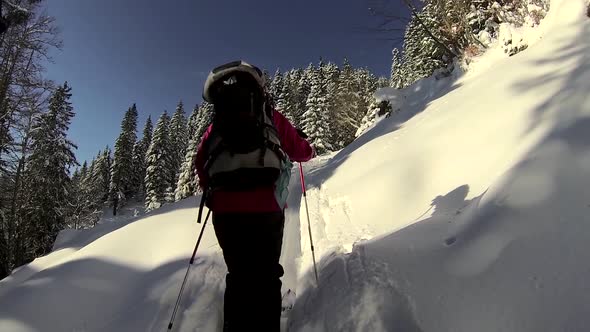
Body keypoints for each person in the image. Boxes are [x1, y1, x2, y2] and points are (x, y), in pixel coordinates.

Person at [194, 61, 314, 331]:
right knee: (266, 276)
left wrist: (213, 193)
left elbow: (200, 162)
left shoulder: (216, 127)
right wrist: (311, 150)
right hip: (265, 208)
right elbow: (299, 151)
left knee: (238, 275)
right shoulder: (269, 115)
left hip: (225, 211)